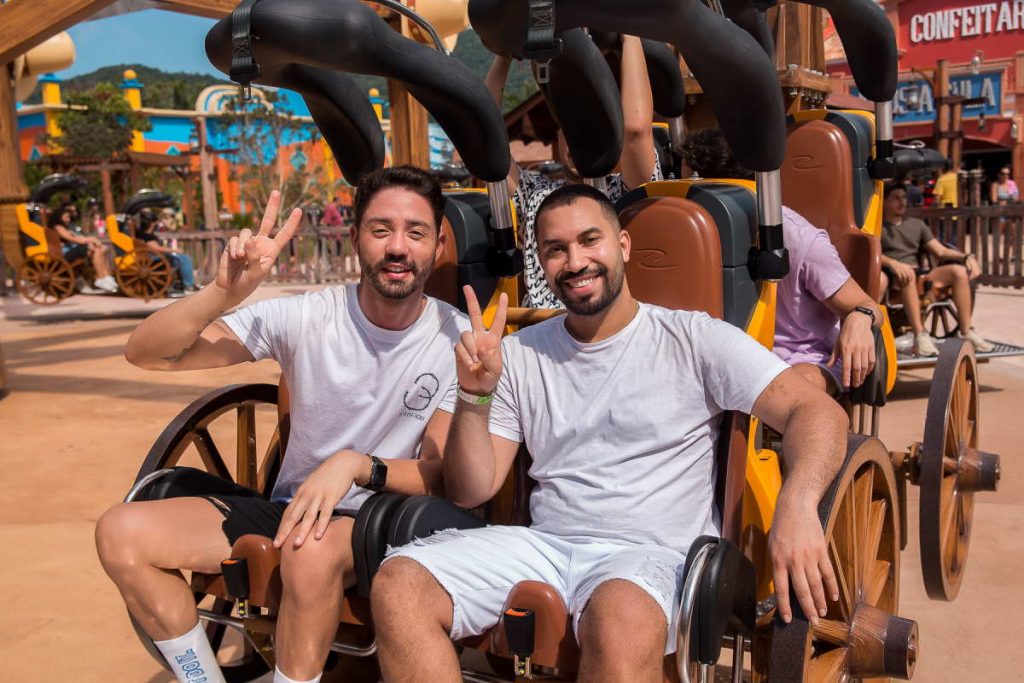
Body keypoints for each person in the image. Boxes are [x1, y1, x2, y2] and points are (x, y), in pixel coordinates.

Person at [371, 184, 850, 681]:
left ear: (622, 246)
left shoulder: (694, 339)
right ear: (542, 263)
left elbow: (814, 411)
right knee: (399, 585)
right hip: (547, 545)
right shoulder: (518, 353)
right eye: (556, 250)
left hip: (653, 555)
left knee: (617, 616)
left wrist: (797, 505)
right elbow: (474, 488)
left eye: (589, 241)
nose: (575, 261)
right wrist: (474, 397)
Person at [95, 167, 470, 683]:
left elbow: (441, 472)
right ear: (356, 235)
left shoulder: (456, 338)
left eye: (416, 231)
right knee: (120, 532)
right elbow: (147, 354)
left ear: (438, 242)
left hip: (390, 522)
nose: (398, 247)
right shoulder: (309, 316)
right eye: (381, 230)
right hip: (292, 513)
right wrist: (222, 293)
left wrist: (355, 467)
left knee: (309, 550)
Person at [680, 128, 881, 393]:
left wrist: (860, 317)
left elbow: (866, 305)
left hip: (796, 361)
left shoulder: (799, 237)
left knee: (789, 388)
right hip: (716, 360)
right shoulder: (688, 239)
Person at [486, 34, 663, 308]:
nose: (578, 142)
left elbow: (637, 130)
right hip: (547, 332)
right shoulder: (538, 194)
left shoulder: (626, 192)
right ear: (558, 137)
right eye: (570, 133)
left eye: (591, 131)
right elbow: (485, 134)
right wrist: (504, 50)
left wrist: (631, 37)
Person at [880, 182, 992, 355]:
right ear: (884, 201)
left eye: (903, 197)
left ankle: (966, 331)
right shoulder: (878, 227)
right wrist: (894, 264)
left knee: (958, 272)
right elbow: (875, 255)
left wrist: (966, 257)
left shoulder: (916, 224)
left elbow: (940, 251)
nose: (902, 202)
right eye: (895, 198)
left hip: (919, 274)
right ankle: (920, 335)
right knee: (909, 274)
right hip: (894, 275)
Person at [49, 202, 118, 293]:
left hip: (73, 250)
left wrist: (91, 239)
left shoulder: (66, 227)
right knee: (95, 248)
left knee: (101, 248)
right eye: (66, 217)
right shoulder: (58, 227)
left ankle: (105, 277)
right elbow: (73, 239)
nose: (68, 219)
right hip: (66, 254)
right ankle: (100, 278)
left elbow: (79, 237)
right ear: (59, 217)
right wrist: (91, 240)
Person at [133, 209, 199, 296]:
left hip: (152, 258)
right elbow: (156, 248)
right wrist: (173, 250)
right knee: (184, 259)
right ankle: (188, 286)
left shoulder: (140, 234)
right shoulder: (147, 236)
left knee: (181, 258)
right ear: (151, 223)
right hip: (155, 260)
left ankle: (183, 284)